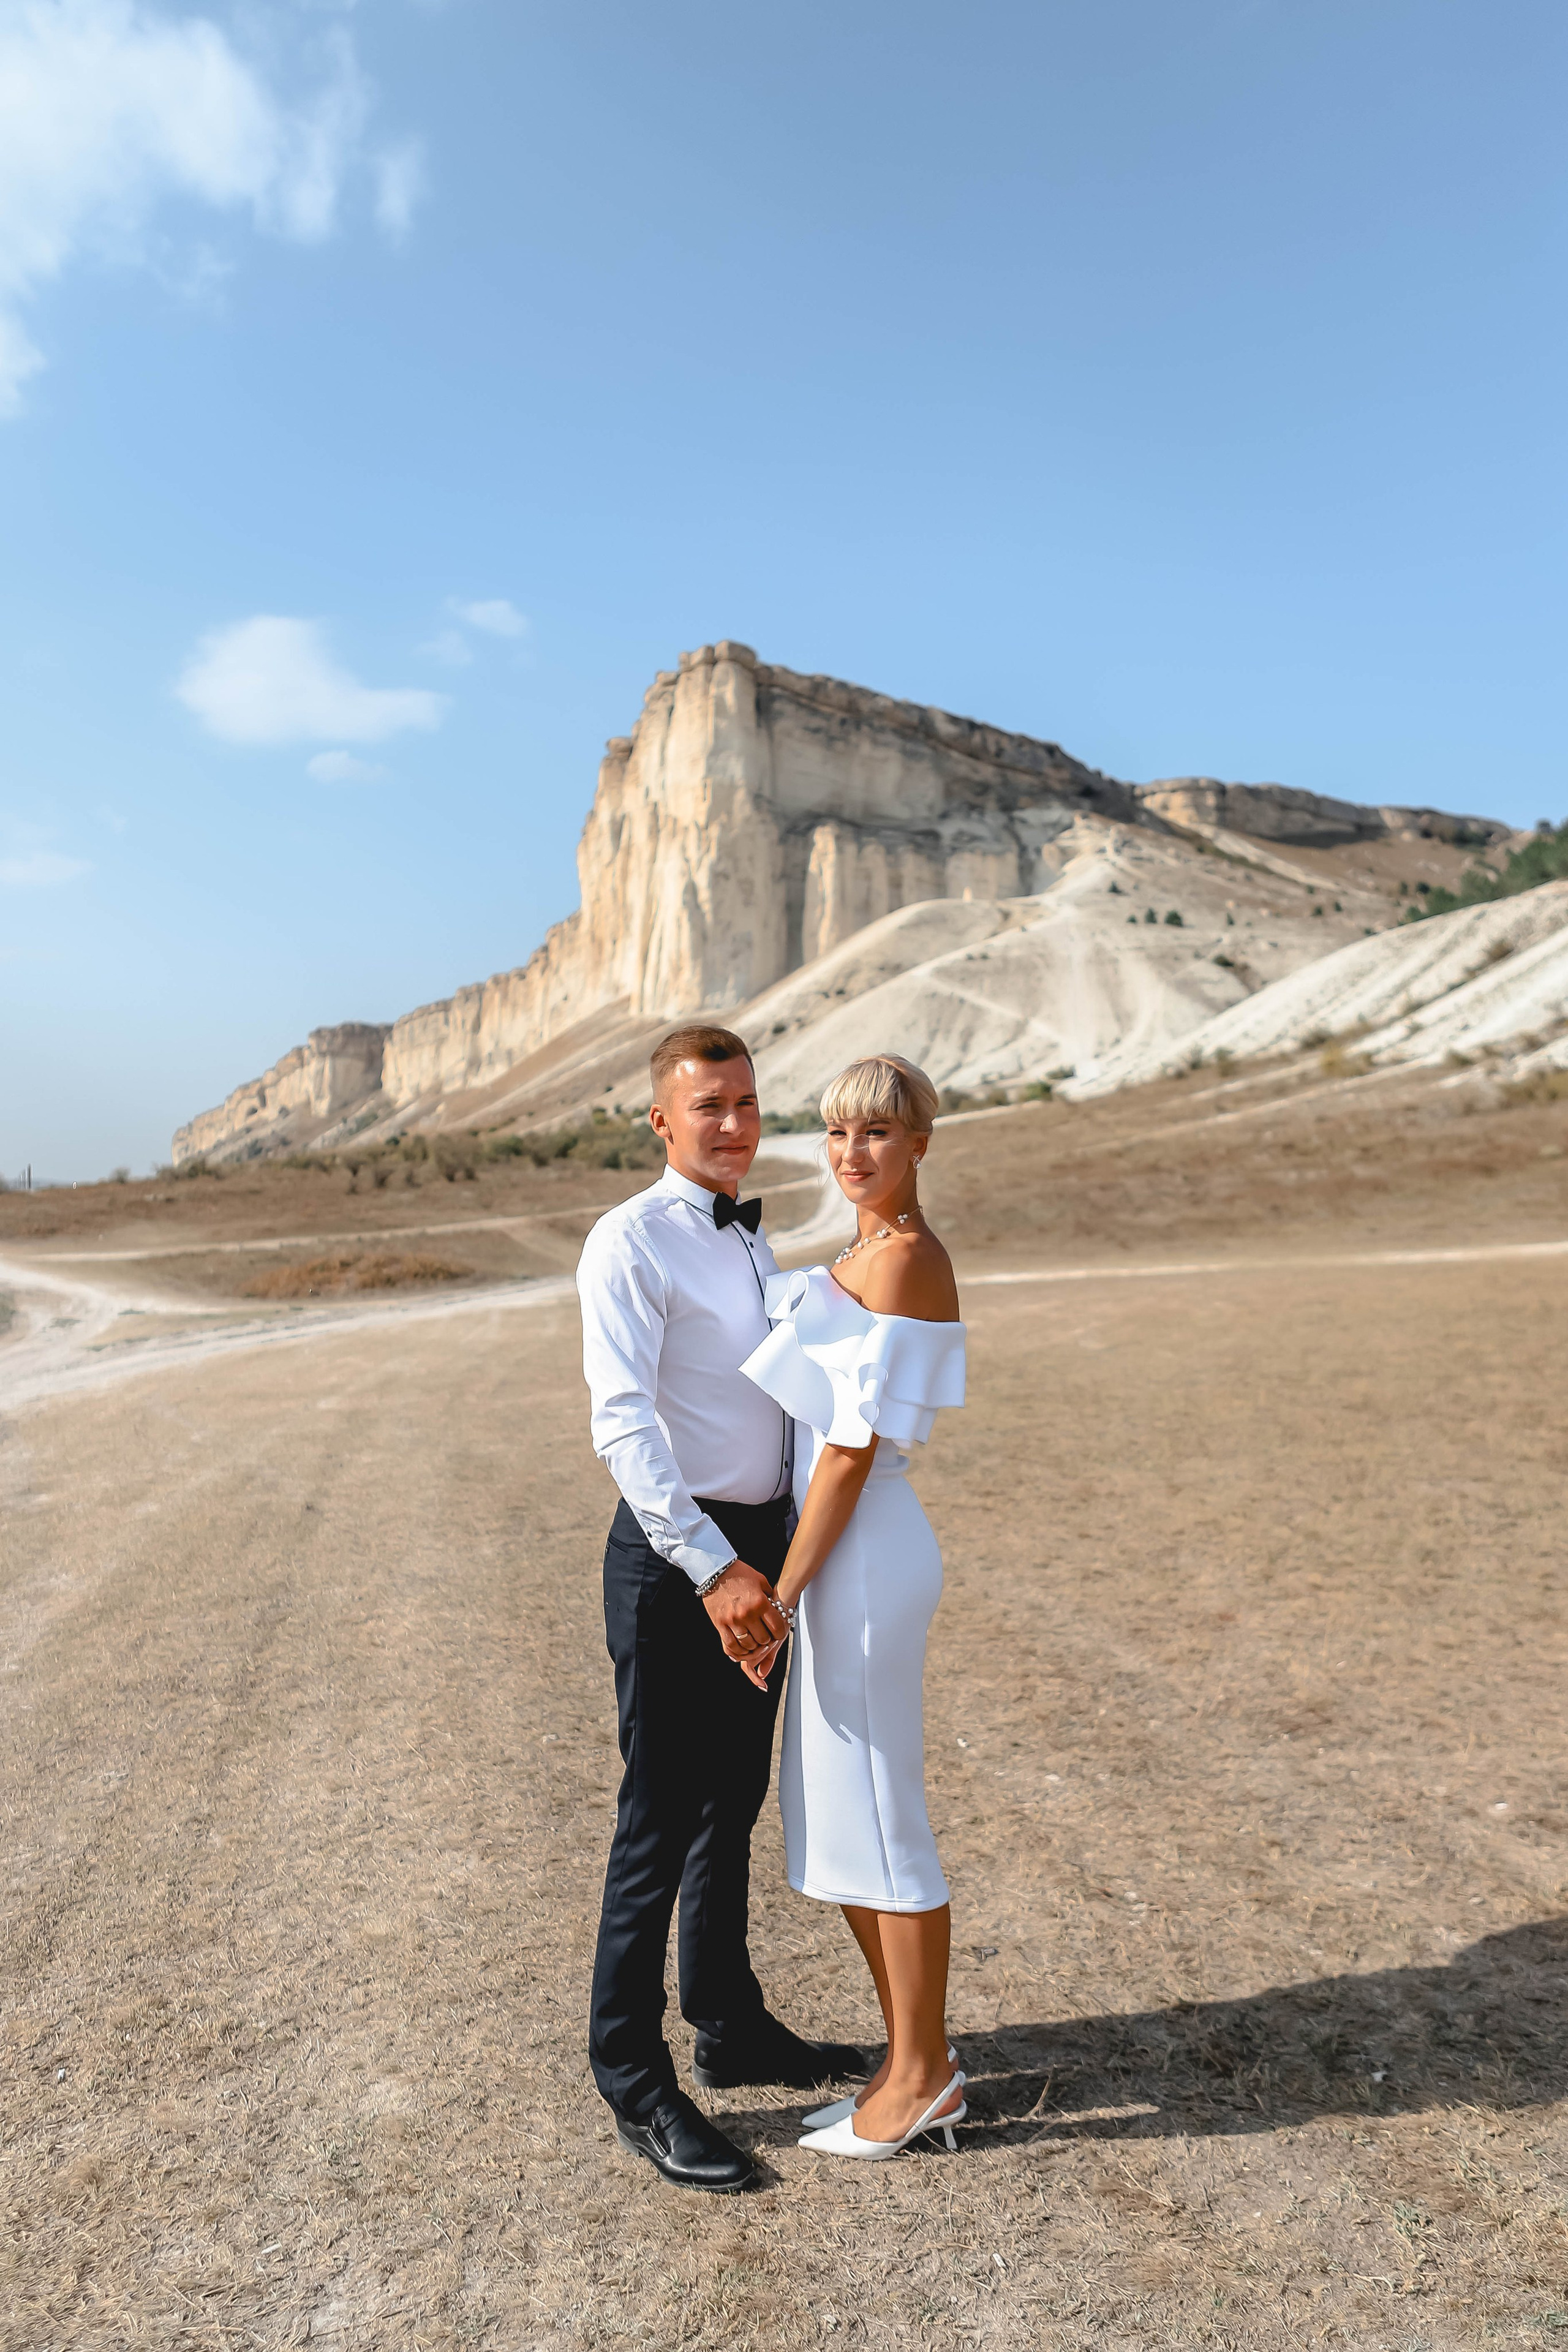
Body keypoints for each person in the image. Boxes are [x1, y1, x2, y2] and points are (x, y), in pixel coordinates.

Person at [576, 1024, 864, 2194]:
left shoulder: (749, 1239)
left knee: (731, 1799)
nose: (736, 1124)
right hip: (676, 1562)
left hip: (759, 1550)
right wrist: (713, 1568)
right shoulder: (630, 1242)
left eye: (748, 1102)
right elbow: (624, 1424)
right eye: (710, 1107)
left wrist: (786, 1547)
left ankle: (729, 2022)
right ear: (662, 1120)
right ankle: (632, 2076)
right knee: (658, 1816)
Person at [737, 1054, 968, 2160]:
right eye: (836, 1132)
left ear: (921, 1143)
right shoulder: (863, 1251)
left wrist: (777, 1598)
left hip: (863, 1548)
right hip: (838, 1551)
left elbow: (847, 1451)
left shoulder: (908, 1258)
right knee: (842, 1813)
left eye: (877, 1133)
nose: (852, 1153)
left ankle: (923, 2077)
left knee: (884, 1815)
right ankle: (906, 2058)